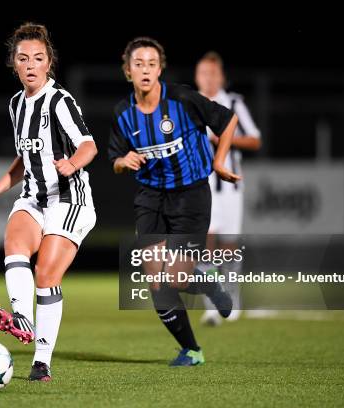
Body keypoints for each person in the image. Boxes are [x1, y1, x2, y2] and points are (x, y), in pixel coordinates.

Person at [0, 23, 97, 381]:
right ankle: (22, 318)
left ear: (49, 63)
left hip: (70, 200)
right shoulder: (16, 104)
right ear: (13, 63)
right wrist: (0, 185)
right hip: (33, 196)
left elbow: (88, 145)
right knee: (14, 243)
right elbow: (24, 157)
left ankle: (40, 360)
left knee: (46, 275)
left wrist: (72, 163)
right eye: (23, 58)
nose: (30, 65)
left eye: (38, 58)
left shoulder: (60, 101)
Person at [108, 37, 239, 366]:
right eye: (138, 64)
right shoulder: (123, 113)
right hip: (150, 198)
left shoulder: (181, 98)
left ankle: (207, 282)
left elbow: (228, 121)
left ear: (160, 69)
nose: (146, 69)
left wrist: (220, 162)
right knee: (156, 280)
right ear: (128, 72)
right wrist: (124, 161)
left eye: (152, 64)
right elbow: (115, 159)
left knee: (177, 277)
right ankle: (192, 350)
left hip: (191, 196)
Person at [194, 51, 262, 325]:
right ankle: (213, 304)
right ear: (197, 76)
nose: (208, 78)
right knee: (206, 245)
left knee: (229, 246)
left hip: (230, 188)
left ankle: (233, 298)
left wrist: (224, 138)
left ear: (221, 76)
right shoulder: (190, 103)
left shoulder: (233, 103)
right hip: (200, 187)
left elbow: (254, 140)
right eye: (203, 73)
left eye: (213, 73)